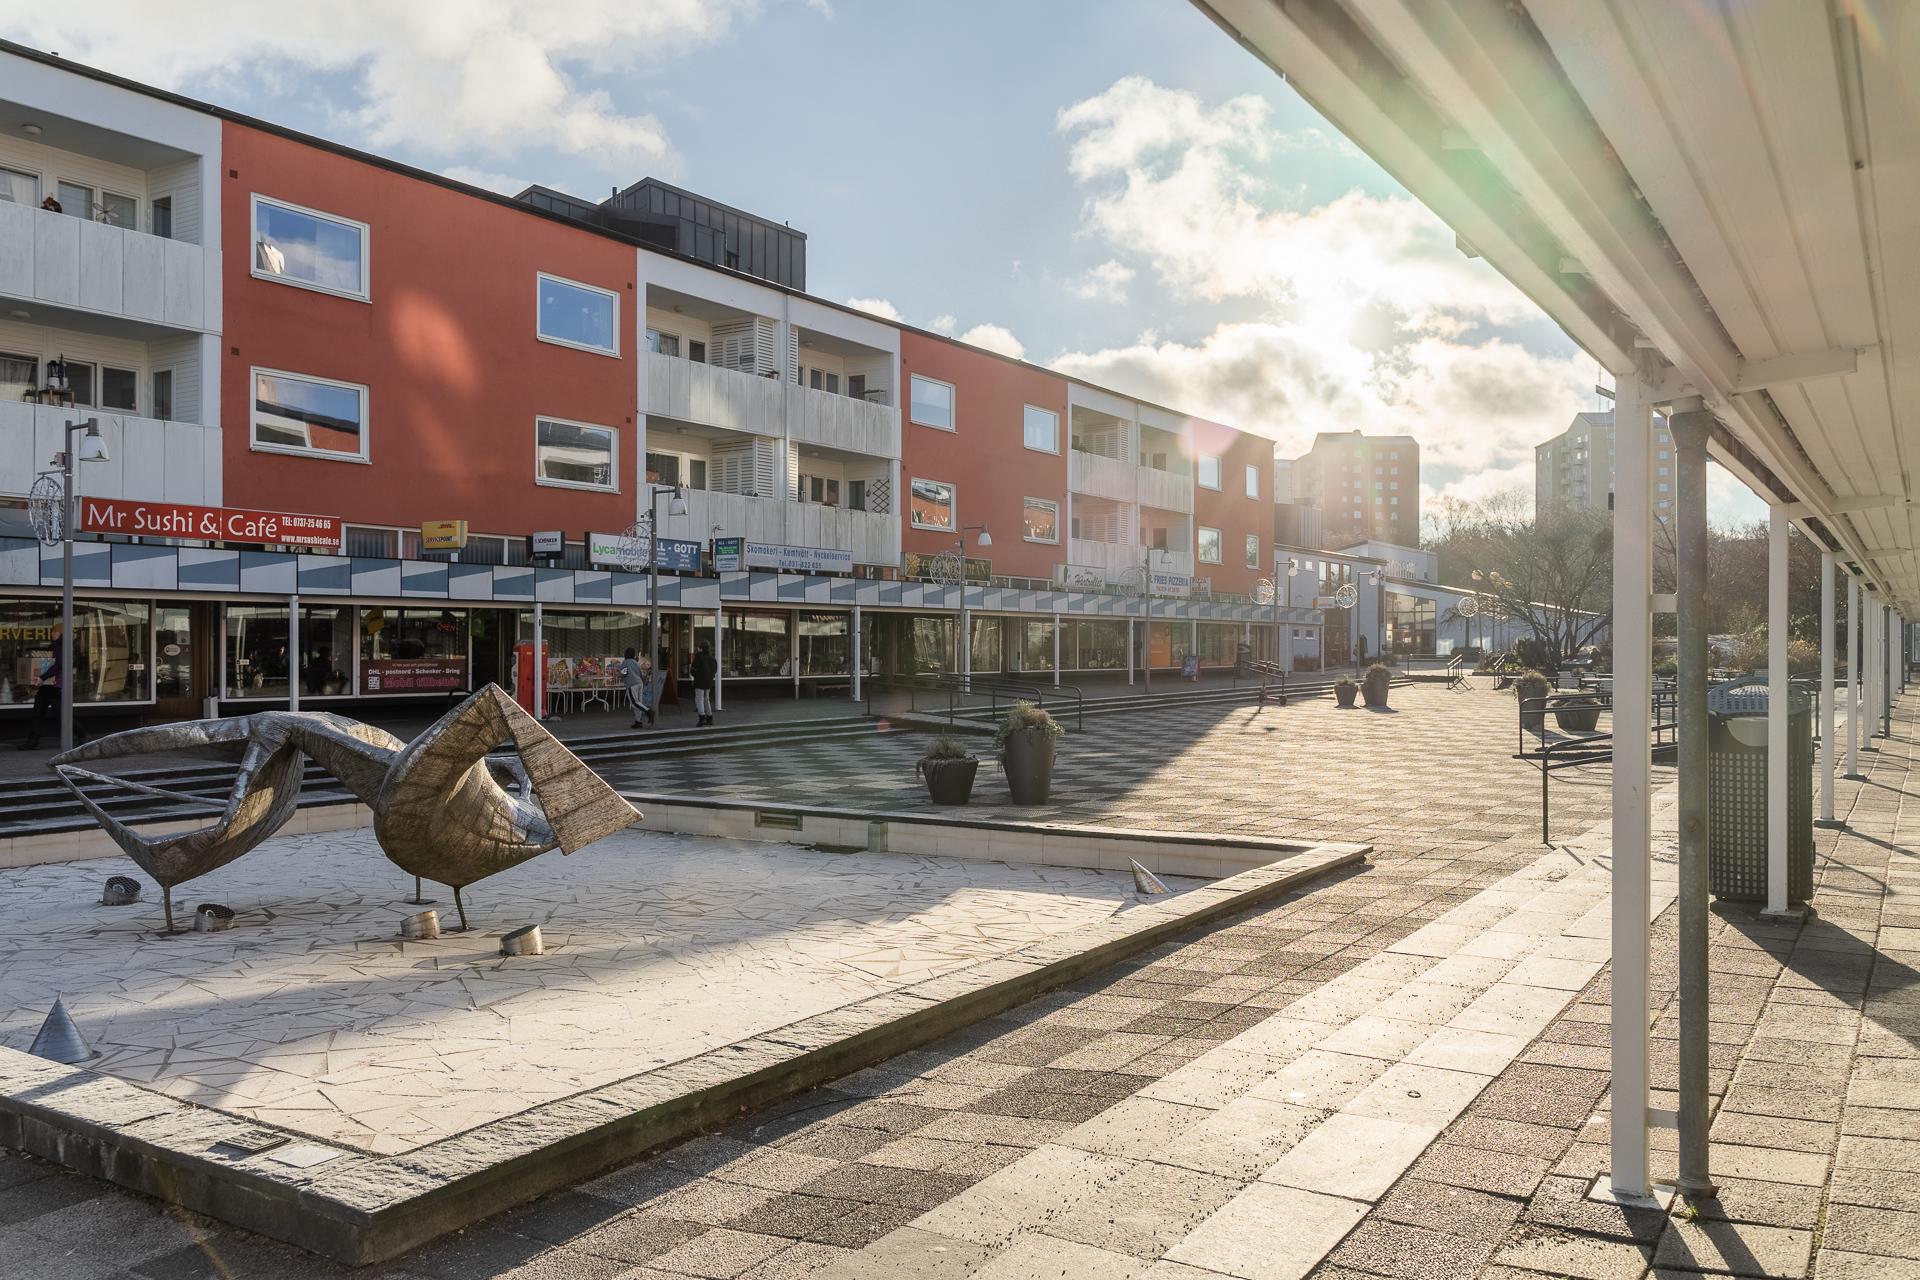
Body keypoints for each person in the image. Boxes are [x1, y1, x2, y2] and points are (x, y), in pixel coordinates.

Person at [21, 638, 59, 751]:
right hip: (45, 686)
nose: (52, 634)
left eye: (55, 632)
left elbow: (57, 667)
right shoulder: (54, 646)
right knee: (37, 713)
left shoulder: (61, 647)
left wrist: (43, 677)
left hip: (54, 686)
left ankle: (83, 734)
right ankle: (32, 741)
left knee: (60, 714)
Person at [691, 641, 718, 727]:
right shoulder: (712, 658)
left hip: (699, 681)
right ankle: (709, 718)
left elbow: (693, 669)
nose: (697, 648)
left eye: (699, 647)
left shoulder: (699, 657)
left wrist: (696, 675)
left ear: (701, 648)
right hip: (709, 681)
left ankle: (702, 717)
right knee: (706, 699)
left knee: (699, 699)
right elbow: (715, 670)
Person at [619, 647, 646, 728]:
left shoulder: (625, 662)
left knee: (635, 703)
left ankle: (649, 712)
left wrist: (618, 674)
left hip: (631, 684)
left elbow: (624, 673)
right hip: (639, 683)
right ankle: (638, 721)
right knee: (639, 702)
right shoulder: (636, 662)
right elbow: (641, 674)